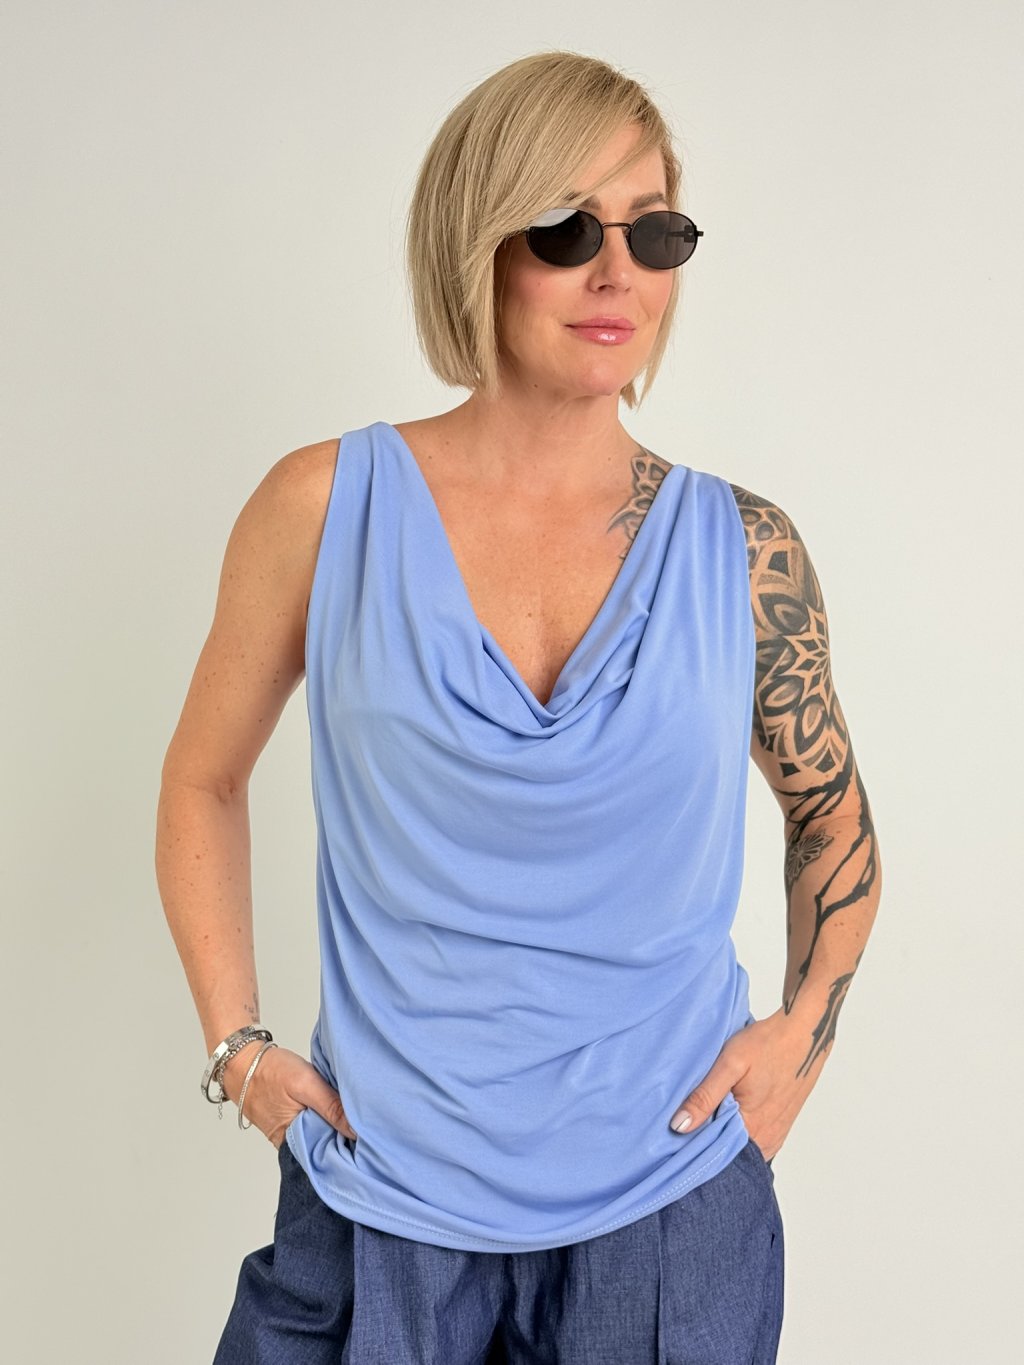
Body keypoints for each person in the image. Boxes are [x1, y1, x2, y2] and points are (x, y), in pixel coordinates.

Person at [156, 49, 882, 1365]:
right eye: (565, 230)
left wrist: (800, 1039)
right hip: (381, 1192)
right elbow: (202, 778)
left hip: (670, 1210)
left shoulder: (744, 549)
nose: (618, 273)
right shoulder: (322, 510)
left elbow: (830, 814)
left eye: (654, 232)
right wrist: (238, 1049)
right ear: (474, 245)